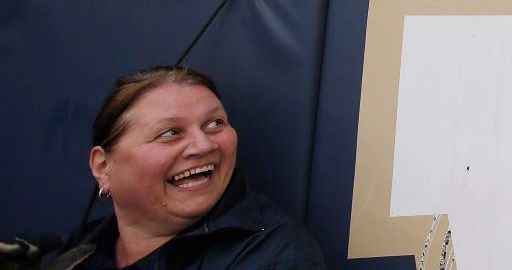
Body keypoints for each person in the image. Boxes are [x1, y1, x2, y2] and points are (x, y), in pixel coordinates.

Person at [30, 66, 327, 268]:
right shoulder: (74, 251)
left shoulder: (275, 257)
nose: (204, 145)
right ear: (103, 166)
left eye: (215, 124)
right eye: (171, 133)